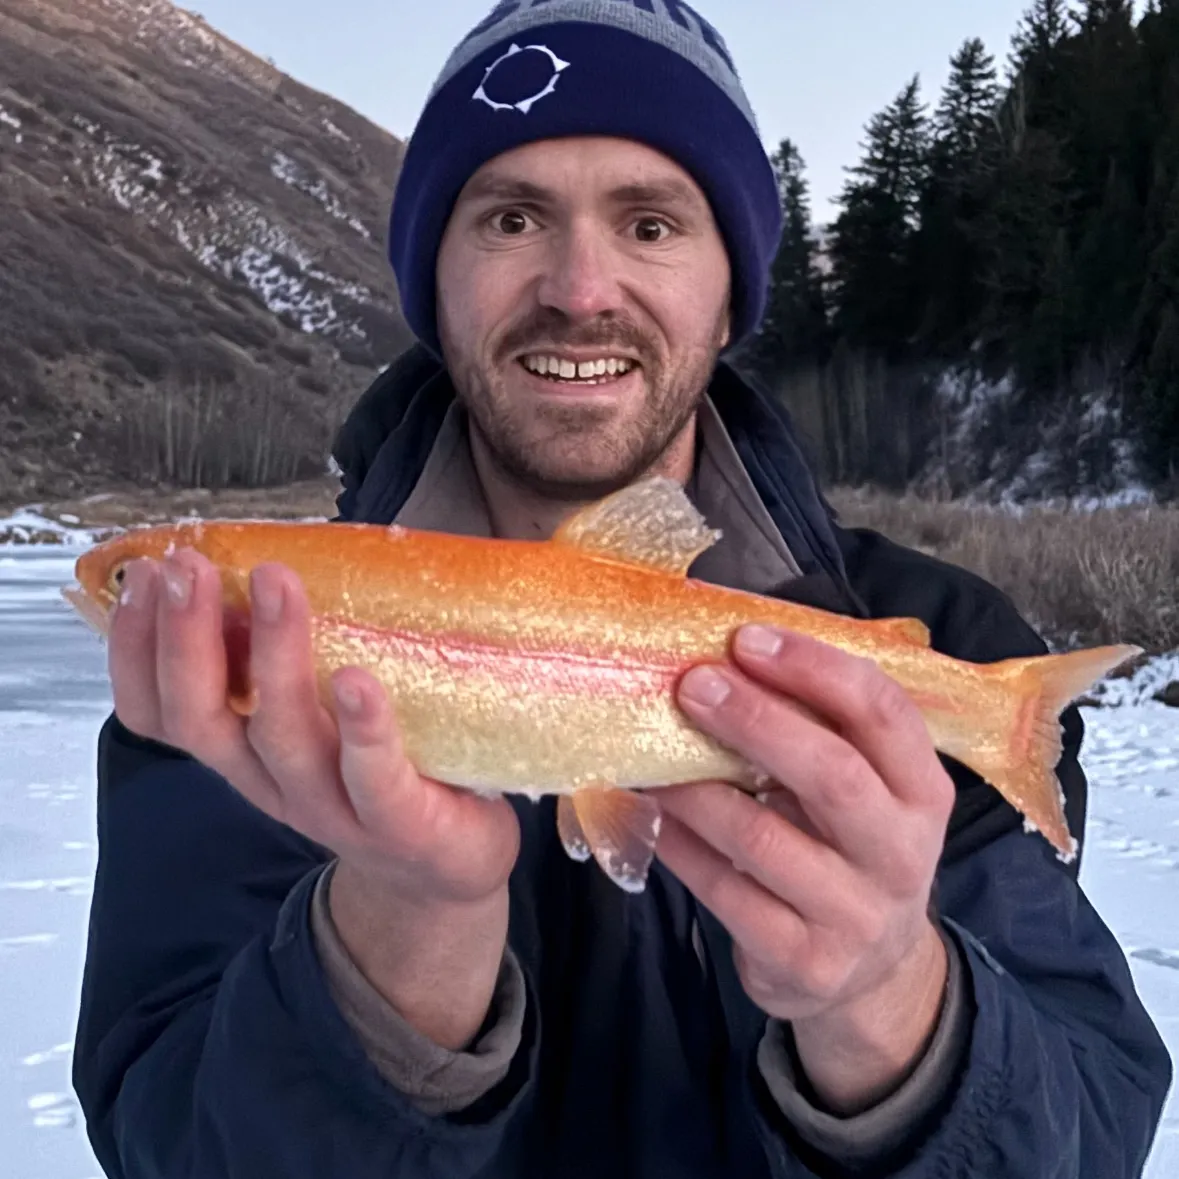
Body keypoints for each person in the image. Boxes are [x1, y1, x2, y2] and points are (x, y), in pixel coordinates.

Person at [73, 2, 1171, 1176]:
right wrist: (403, 933)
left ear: (732, 291)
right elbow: (166, 1137)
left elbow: (1093, 1123)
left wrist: (888, 1004)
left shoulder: (947, 645)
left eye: (650, 223)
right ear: (430, 279)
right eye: (509, 218)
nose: (581, 288)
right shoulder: (218, 689)